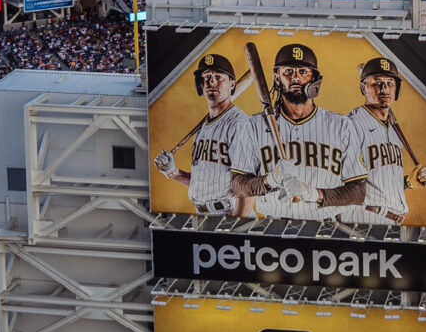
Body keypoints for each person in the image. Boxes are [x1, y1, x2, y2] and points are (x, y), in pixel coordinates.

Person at [233, 42, 369, 220]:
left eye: (303, 72)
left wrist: (314, 194)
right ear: (276, 78)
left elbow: (359, 191)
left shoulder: (341, 125)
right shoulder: (254, 125)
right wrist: (270, 180)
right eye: (288, 72)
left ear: (315, 78)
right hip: (273, 227)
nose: (295, 77)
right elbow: (237, 185)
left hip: (326, 228)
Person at [154, 52, 255, 216]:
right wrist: (172, 172)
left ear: (232, 84)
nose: (212, 81)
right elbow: (205, 184)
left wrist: (237, 226)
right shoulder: (202, 128)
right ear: (200, 85)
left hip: (230, 213)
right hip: (203, 215)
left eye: (218, 76)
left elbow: (247, 187)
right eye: (206, 77)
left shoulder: (238, 124)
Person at [339, 55, 426, 225]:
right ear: (363, 87)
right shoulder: (351, 124)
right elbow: (343, 180)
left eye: (390, 83)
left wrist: (408, 182)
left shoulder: (394, 128)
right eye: (376, 83)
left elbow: (381, 178)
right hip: (363, 217)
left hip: (394, 220)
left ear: (396, 89)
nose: (384, 89)